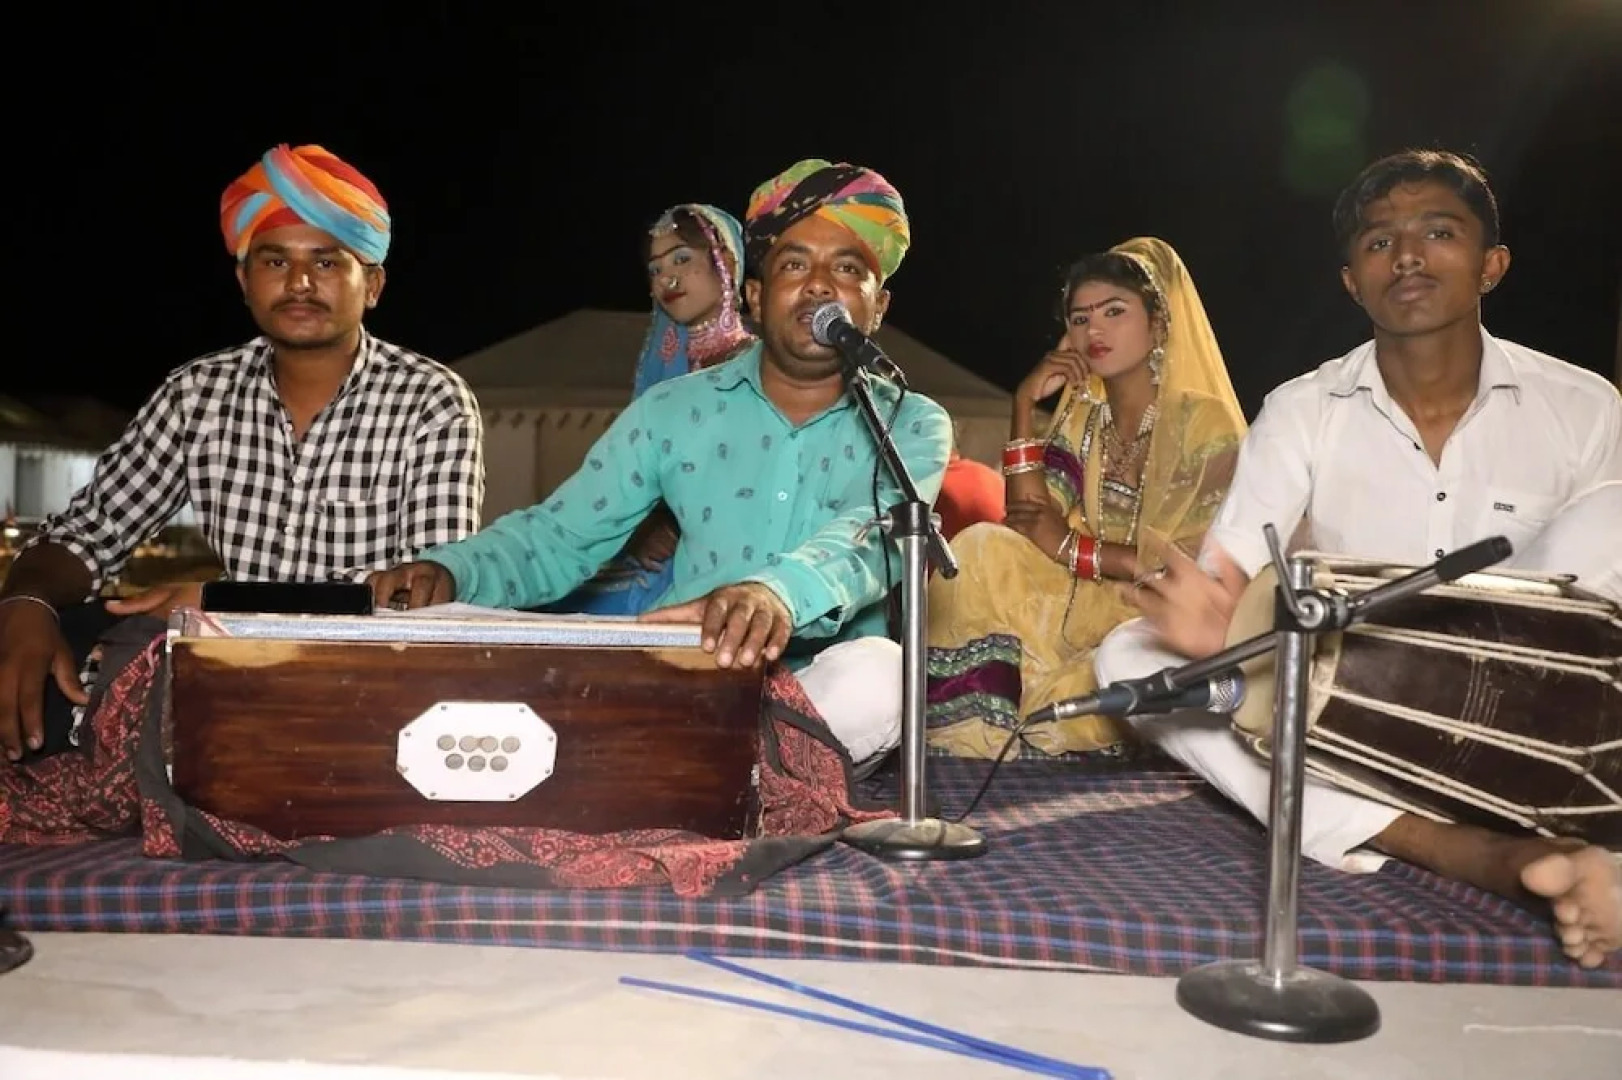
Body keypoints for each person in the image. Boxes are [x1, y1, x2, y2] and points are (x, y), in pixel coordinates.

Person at [1095, 149, 1622, 967]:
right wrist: (1212, 622)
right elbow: (1225, 582)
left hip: (1540, 719)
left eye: (1438, 233)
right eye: (1379, 243)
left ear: (1492, 265)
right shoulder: (1303, 409)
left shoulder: (1585, 405)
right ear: (1351, 280)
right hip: (1357, 718)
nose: (1407, 256)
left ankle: (1562, 831)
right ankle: (1477, 854)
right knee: (1127, 659)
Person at [368, 159, 951, 771]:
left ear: (877, 306)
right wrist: (454, 572)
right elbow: (561, 534)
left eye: (848, 269)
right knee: (475, 633)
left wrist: (774, 593)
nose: (819, 285)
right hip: (688, 677)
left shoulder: (913, 421)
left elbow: (872, 538)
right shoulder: (673, 409)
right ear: (754, 295)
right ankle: (726, 770)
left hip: (822, 699)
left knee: (886, 675)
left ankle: (716, 769)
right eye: (794, 265)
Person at [0, 143, 485, 764]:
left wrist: (228, 601)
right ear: (243, 280)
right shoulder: (196, 395)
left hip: (369, 688)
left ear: (374, 287)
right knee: (59, 641)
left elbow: (422, 597)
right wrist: (26, 602)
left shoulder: (431, 400)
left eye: (329, 262)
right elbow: (87, 532)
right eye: (276, 260)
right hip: (219, 678)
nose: (301, 283)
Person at [926, 239, 1246, 759]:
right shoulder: (1084, 418)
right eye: (1080, 318)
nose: (1094, 331)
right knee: (982, 546)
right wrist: (1025, 405)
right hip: (1081, 598)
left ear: (1159, 325)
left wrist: (1077, 548)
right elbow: (1027, 520)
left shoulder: (1201, 422)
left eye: (1115, 312)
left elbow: (1198, 567)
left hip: (1155, 615)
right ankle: (973, 735)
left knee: (1068, 710)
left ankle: (1032, 721)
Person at [551, 204, 756, 615]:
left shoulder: (758, 367)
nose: (667, 278)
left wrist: (676, 524)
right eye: (655, 270)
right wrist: (642, 527)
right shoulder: (663, 370)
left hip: (735, 564)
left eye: (682, 259)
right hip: (653, 555)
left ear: (726, 263)